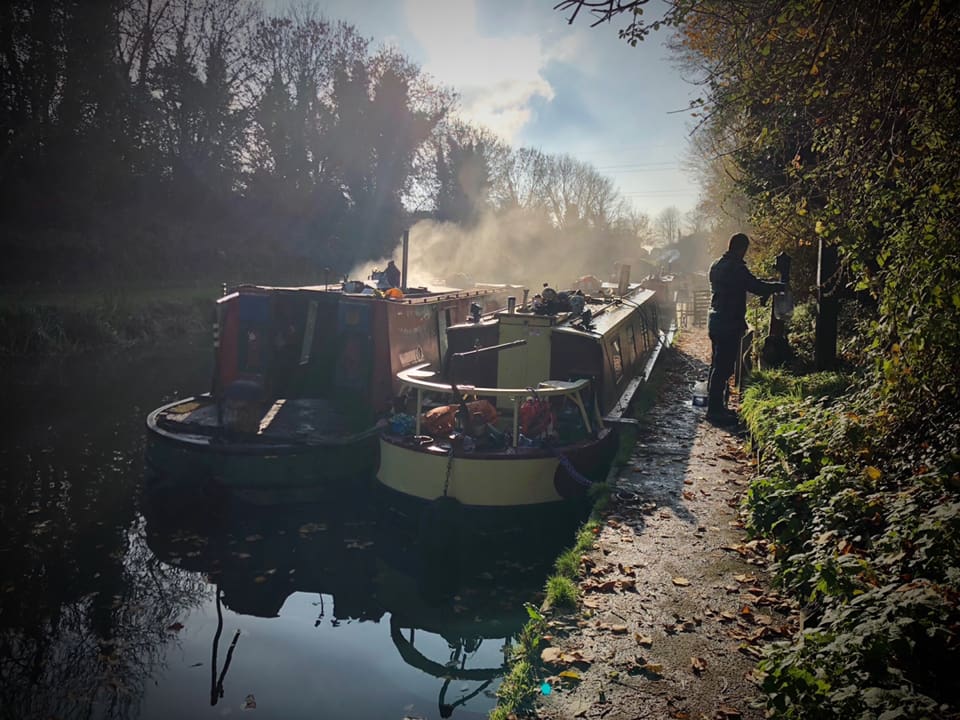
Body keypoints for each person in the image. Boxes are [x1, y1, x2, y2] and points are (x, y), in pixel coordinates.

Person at [706, 233, 784, 425]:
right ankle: (715, 411)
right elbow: (755, 286)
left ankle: (717, 406)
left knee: (717, 365)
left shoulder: (715, 265)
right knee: (724, 368)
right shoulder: (737, 268)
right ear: (742, 249)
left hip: (714, 320)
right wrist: (776, 286)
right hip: (729, 323)